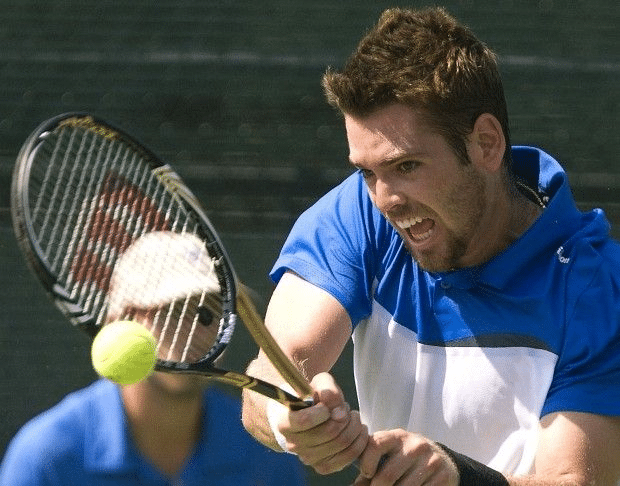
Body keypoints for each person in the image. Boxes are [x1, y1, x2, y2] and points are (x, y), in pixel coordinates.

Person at [241, 6, 620, 486]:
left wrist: (459, 477)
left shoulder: (595, 286)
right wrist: (289, 418)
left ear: (486, 144)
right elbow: (276, 368)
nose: (385, 199)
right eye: (366, 171)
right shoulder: (358, 212)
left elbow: (575, 479)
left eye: (408, 167)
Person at [0, 231, 308, 486]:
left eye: (206, 314)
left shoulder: (266, 456)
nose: (190, 335)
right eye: (171, 311)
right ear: (119, 321)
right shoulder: (45, 457)